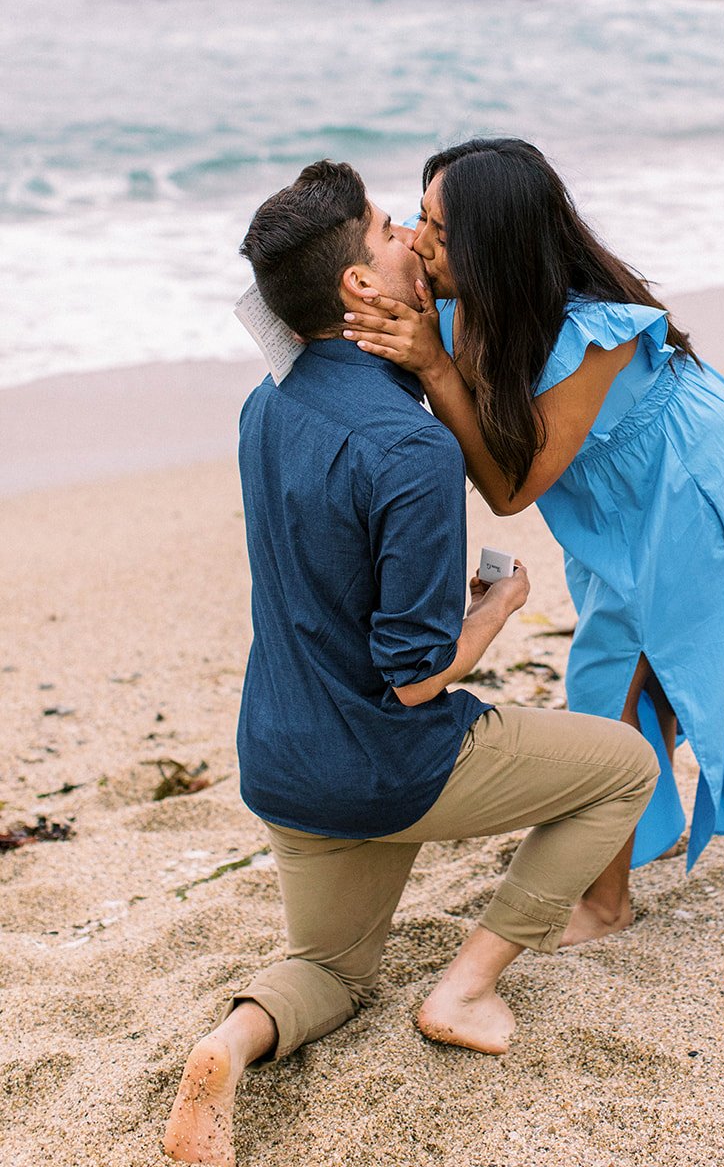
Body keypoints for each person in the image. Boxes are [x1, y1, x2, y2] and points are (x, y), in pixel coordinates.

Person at [163, 160, 658, 1167]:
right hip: (387, 759)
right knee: (623, 766)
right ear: (355, 285)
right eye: (390, 229)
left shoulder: (267, 402)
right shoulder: (411, 450)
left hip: (281, 760)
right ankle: (468, 984)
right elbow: (416, 676)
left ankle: (228, 1042)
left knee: (332, 971)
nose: (411, 243)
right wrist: (501, 603)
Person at [343, 137, 724, 946]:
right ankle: (628, 830)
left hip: (682, 470)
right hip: (604, 483)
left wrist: (439, 373)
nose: (416, 239)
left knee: (613, 666)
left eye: (437, 229)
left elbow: (510, 493)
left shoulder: (595, 335)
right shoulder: (462, 296)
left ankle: (606, 901)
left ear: (493, 248)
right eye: (414, 218)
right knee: (626, 652)